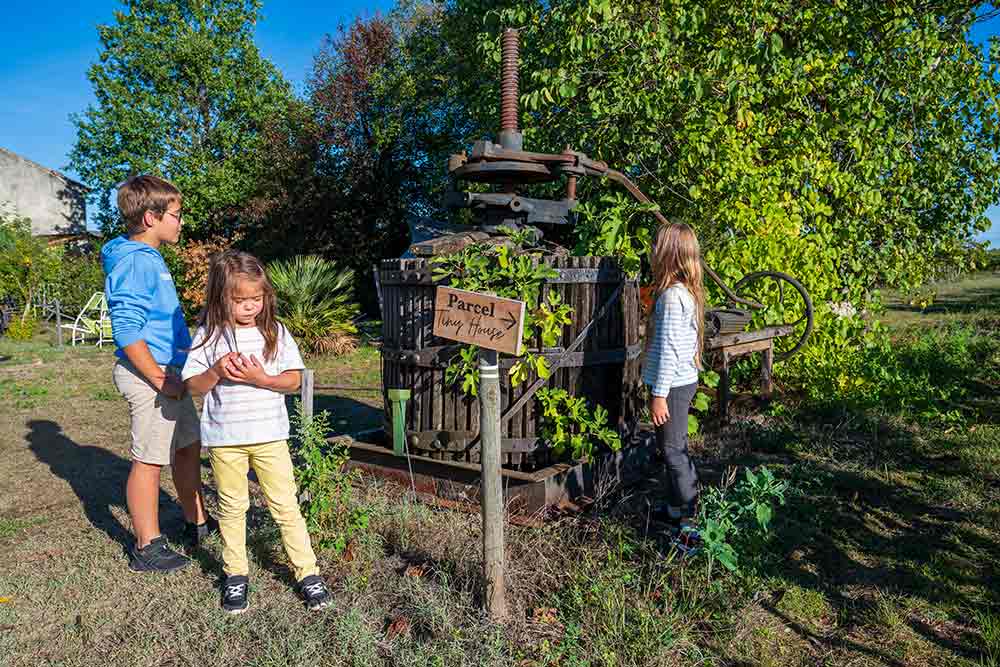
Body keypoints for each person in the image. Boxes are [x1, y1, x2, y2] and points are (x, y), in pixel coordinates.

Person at [182, 250, 332, 615]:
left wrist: (261, 378)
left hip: (270, 437)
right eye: (240, 300)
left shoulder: (275, 332)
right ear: (221, 297)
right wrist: (216, 371)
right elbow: (192, 387)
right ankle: (236, 573)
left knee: (285, 505)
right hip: (224, 440)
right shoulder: (209, 334)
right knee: (232, 508)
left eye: (256, 298)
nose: (250, 307)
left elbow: (294, 380)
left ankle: (307, 572)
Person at [103, 174, 216, 573]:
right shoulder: (135, 261)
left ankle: (196, 523)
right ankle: (147, 545)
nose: (181, 222)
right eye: (176, 214)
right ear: (151, 217)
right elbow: (128, 330)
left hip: (170, 372)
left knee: (187, 446)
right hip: (150, 376)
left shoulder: (148, 257)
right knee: (149, 460)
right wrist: (157, 378)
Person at [641, 222, 705, 554]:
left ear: (669, 254)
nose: (653, 251)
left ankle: (690, 525)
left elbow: (668, 349)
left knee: (673, 452)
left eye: (657, 246)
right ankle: (675, 508)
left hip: (673, 386)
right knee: (671, 448)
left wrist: (658, 394)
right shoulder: (685, 292)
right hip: (682, 381)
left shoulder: (670, 297)